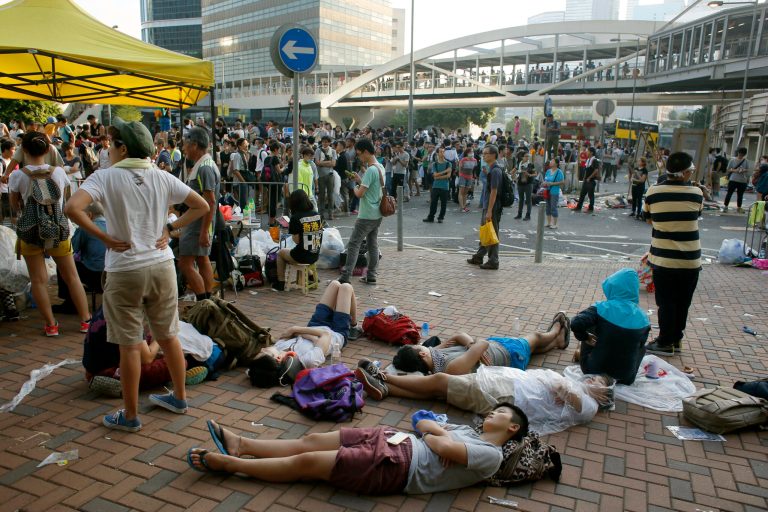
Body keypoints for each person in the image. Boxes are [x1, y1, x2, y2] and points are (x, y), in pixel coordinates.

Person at [65, 116, 209, 432]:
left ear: (122, 147)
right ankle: (180, 398)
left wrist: (103, 237)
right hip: (161, 265)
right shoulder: (161, 176)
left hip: (124, 268)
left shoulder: (104, 177)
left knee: (129, 345)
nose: (108, 149)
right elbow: (200, 205)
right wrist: (171, 229)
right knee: (168, 334)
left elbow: (72, 208)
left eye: (111, 144)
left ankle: (130, 416)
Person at [188, 402, 528, 495]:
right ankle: (243, 444)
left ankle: (232, 464)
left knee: (308, 462)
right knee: (312, 440)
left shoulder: (491, 455)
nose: (490, 413)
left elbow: (436, 439)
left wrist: (440, 438)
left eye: (499, 413)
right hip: (393, 438)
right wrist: (440, 437)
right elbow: (422, 421)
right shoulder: (469, 431)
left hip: (398, 466)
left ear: (511, 427)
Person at [355, 360, 613, 435]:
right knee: (439, 391)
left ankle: (384, 377)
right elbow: (562, 391)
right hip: (509, 389)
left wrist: (563, 389)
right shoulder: (583, 394)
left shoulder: (590, 405)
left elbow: (568, 394)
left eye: (598, 383)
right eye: (592, 378)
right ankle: (384, 388)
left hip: (507, 393)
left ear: (603, 397)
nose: (590, 381)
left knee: (440, 381)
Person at [9, 131, 91, 336]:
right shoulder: (59, 173)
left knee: (38, 280)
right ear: (48, 150)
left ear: (24, 150)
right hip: (58, 229)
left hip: (30, 231)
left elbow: (15, 206)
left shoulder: (18, 175)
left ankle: (51, 325)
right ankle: (85, 320)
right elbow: (64, 200)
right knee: (72, 276)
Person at [642, 152, 703, 355]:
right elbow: (695, 214)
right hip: (690, 260)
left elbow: (648, 218)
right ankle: (676, 339)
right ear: (685, 172)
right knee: (683, 302)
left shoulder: (653, 192)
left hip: (663, 259)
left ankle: (665, 341)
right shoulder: (696, 193)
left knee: (666, 302)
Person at [248, 280, 358, 387]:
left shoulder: (278, 348)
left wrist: (310, 338)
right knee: (346, 287)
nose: (263, 349)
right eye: (265, 352)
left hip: (315, 325)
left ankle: (352, 324)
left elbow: (250, 371)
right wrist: (295, 329)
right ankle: (354, 326)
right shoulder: (306, 361)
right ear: (277, 359)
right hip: (336, 333)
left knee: (334, 284)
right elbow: (326, 335)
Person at [393, 312, 569, 375]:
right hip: (509, 355)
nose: (424, 344)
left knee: (534, 350)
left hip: (500, 348)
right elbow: (482, 344)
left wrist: (470, 345)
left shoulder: (434, 355)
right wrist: (474, 346)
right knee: (536, 338)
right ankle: (556, 330)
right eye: (420, 346)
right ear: (422, 354)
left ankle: (557, 343)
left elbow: (458, 336)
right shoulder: (449, 368)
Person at [571, 269, 650, 385]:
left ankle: (587, 354)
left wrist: (585, 337)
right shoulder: (644, 318)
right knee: (641, 346)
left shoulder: (601, 308)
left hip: (593, 371)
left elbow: (576, 323)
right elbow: (640, 346)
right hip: (625, 378)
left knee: (591, 325)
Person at [178, 127, 221, 302]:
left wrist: (204, 231)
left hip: (198, 225)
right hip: (200, 224)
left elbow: (210, 202)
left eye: (185, 145)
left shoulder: (204, 168)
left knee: (185, 264)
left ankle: (203, 300)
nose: (184, 149)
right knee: (203, 259)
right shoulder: (204, 165)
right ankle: (207, 300)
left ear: (194, 145)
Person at [339, 138, 383, 285]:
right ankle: (371, 275)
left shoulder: (370, 170)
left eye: (358, 154)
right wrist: (359, 180)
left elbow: (359, 194)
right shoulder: (380, 167)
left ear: (365, 152)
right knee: (372, 244)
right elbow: (370, 188)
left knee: (353, 244)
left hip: (366, 214)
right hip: (377, 213)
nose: (358, 157)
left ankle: (345, 277)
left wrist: (354, 186)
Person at [55, 202, 107, 313]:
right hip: (110, 274)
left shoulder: (86, 228)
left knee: (63, 266)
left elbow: (71, 249)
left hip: (95, 276)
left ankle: (70, 303)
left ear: (89, 215)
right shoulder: (113, 226)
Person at [272, 189, 322, 291]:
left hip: (302, 256)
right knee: (299, 253)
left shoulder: (295, 218)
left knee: (281, 253)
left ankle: (281, 282)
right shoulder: (316, 214)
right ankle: (310, 274)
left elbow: (297, 240)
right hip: (315, 254)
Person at [467, 144, 503, 270]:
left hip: (492, 207)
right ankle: (479, 256)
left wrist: (489, 211)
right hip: (488, 206)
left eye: (486, 153)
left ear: (493, 155)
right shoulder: (491, 169)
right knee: (485, 232)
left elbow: (494, 191)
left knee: (492, 233)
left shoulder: (495, 171)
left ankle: (494, 260)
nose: (484, 155)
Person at [422, 146, 451, 223]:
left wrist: (439, 175)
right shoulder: (435, 164)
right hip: (436, 186)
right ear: (437, 153)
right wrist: (445, 171)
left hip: (444, 186)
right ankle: (431, 217)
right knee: (433, 203)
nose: (442, 153)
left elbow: (448, 176)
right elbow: (435, 176)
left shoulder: (448, 163)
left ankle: (441, 217)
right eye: (440, 151)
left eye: (443, 151)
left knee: (443, 204)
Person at [314, 135, 337, 221]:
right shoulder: (318, 150)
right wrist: (328, 162)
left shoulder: (333, 151)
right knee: (321, 195)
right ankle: (321, 213)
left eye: (326, 142)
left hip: (330, 175)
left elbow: (334, 164)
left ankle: (331, 213)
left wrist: (322, 162)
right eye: (323, 141)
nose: (325, 143)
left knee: (331, 195)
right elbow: (317, 163)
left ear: (329, 142)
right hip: (320, 176)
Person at [723, 147, 750, 214]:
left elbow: (747, 169)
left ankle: (739, 207)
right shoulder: (732, 160)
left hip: (742, 180)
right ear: (738, 152)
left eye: (743, 154)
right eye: (740, 154)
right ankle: (725, 206)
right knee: (729, 193)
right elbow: (728, 169)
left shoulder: (746, 161)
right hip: (733, 179)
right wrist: (735, 170)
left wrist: (743, 170)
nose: (741, 155)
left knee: (740, 195)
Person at [542, 157, 564, 230]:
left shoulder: (559, 172)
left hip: (554, 191)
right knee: (548, 207)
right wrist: (544, 183)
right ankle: (549, 222)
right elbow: (545, 179)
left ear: (556, 164)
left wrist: (552, 183)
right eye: (551, 161)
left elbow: (562, 182)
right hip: (547, 191)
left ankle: (555, 224)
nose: (551, 162)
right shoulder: (548, 171)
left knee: (553, 207)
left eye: (552, 161)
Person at [576, 146, 600, 213]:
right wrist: (584, 179)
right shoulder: (588, 160)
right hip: (586, 181)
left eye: (588, 151)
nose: (586, 152)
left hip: (591, 181)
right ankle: (578, 207)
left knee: (590, 195)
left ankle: (590, 208)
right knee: (582, 194)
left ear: (591, 153)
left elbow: (596, 170)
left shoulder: (594, 160)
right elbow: (586, 170)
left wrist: (589, 177)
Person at [514, 155, 536, 221]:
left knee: (528, 200)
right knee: (521, 199)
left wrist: (529, 175)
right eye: (525, 156)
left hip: (528, 184)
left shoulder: (531, 164)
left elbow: (535, 174)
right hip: (520, 183)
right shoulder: (519, 164)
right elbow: (515, 171)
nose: (527, 157)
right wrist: (515, 175)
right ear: (522, 157)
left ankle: (528, 215)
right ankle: (519, 214)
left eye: (528, 156)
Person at [457, 148, 476, 213]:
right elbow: (460, 168)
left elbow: (474, 170)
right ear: (467, 153)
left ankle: (464, 206)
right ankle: (462, 207)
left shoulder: (474, 160)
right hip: (463, 176)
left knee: (465, 193)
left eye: (472, 152)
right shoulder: (463, 160)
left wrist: (474, 177)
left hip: (470, 177)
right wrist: (460, 175)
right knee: (461, 191)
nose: (472, 153)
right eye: (470, 152)